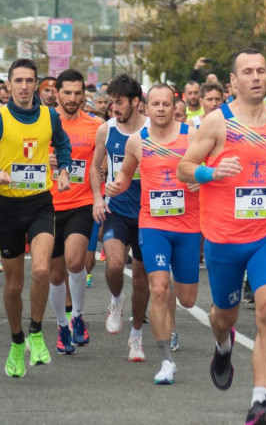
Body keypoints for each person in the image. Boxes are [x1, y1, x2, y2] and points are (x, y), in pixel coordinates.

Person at [176, 49, 266, 425]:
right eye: (247, 72)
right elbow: (185, 167)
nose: (255, 77)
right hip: (223, 239)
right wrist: (211, 174)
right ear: (233, 81)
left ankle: (260, 400)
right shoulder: (216, 122)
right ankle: (222, 346)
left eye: (261, 71)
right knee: (223, 315)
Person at [0, 58, 72, 377]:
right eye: (19, 81)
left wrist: (64, 168)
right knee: (13, 286)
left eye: (30, 80)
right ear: (8, 85)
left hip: (41, 203)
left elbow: (62, 145)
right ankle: (16, 341)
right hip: (8, 208)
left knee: (41, 269)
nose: (24, 86)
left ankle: (36, 333)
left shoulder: (50, 116)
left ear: (37, 84)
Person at [107, 84, 200, 384]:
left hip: (188, 225)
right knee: (158, 288)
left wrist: (203, 181)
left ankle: (175, 292)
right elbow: (125, 174)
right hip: (153, 223)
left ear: (175, 107)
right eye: (155, 104)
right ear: (145, 108)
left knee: (186, 299)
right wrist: (115, 186)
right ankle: (166, 361)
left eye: (166, 104)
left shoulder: (192, 136)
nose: (160, 109)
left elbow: (208, 168)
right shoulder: (136, 142)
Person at [92, 74, 150, 359]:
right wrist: (97, 197)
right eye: (112, 102)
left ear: (136, 102)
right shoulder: (106, 129)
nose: (114, 107)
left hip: (149, 213)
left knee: (141, 278)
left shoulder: (153, 130)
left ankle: (137, 335)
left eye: (120, 102)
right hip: (117, 208)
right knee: (114, 266)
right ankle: (116, 299)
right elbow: (94, 167)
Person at [46, 69, 101, 355]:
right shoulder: (42, 123)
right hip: (47, 206)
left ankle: (77, 316)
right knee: (55, 275)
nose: (73, 98)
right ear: (56, 93)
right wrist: (46, 159)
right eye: (67, 92)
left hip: (81, 203)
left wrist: (103, 173)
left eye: (78, 93)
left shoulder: (95, 126)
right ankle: (61, 326)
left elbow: (102, 163)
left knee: (75, 261)